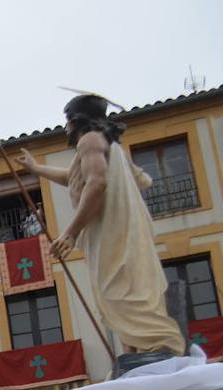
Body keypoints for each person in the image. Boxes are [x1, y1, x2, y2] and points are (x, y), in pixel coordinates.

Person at [12, 94, 184, 356]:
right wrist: (36, 169)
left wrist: (70, 232)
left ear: (76, 119)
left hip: (111, 230)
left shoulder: (89, 140)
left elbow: (96, 182)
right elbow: (74, 177)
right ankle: (132, 353)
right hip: (121, 229)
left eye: (67, 121)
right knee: (125, 288)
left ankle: (152, 348)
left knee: (117, 290)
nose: (66, 128)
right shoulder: (108, 144)